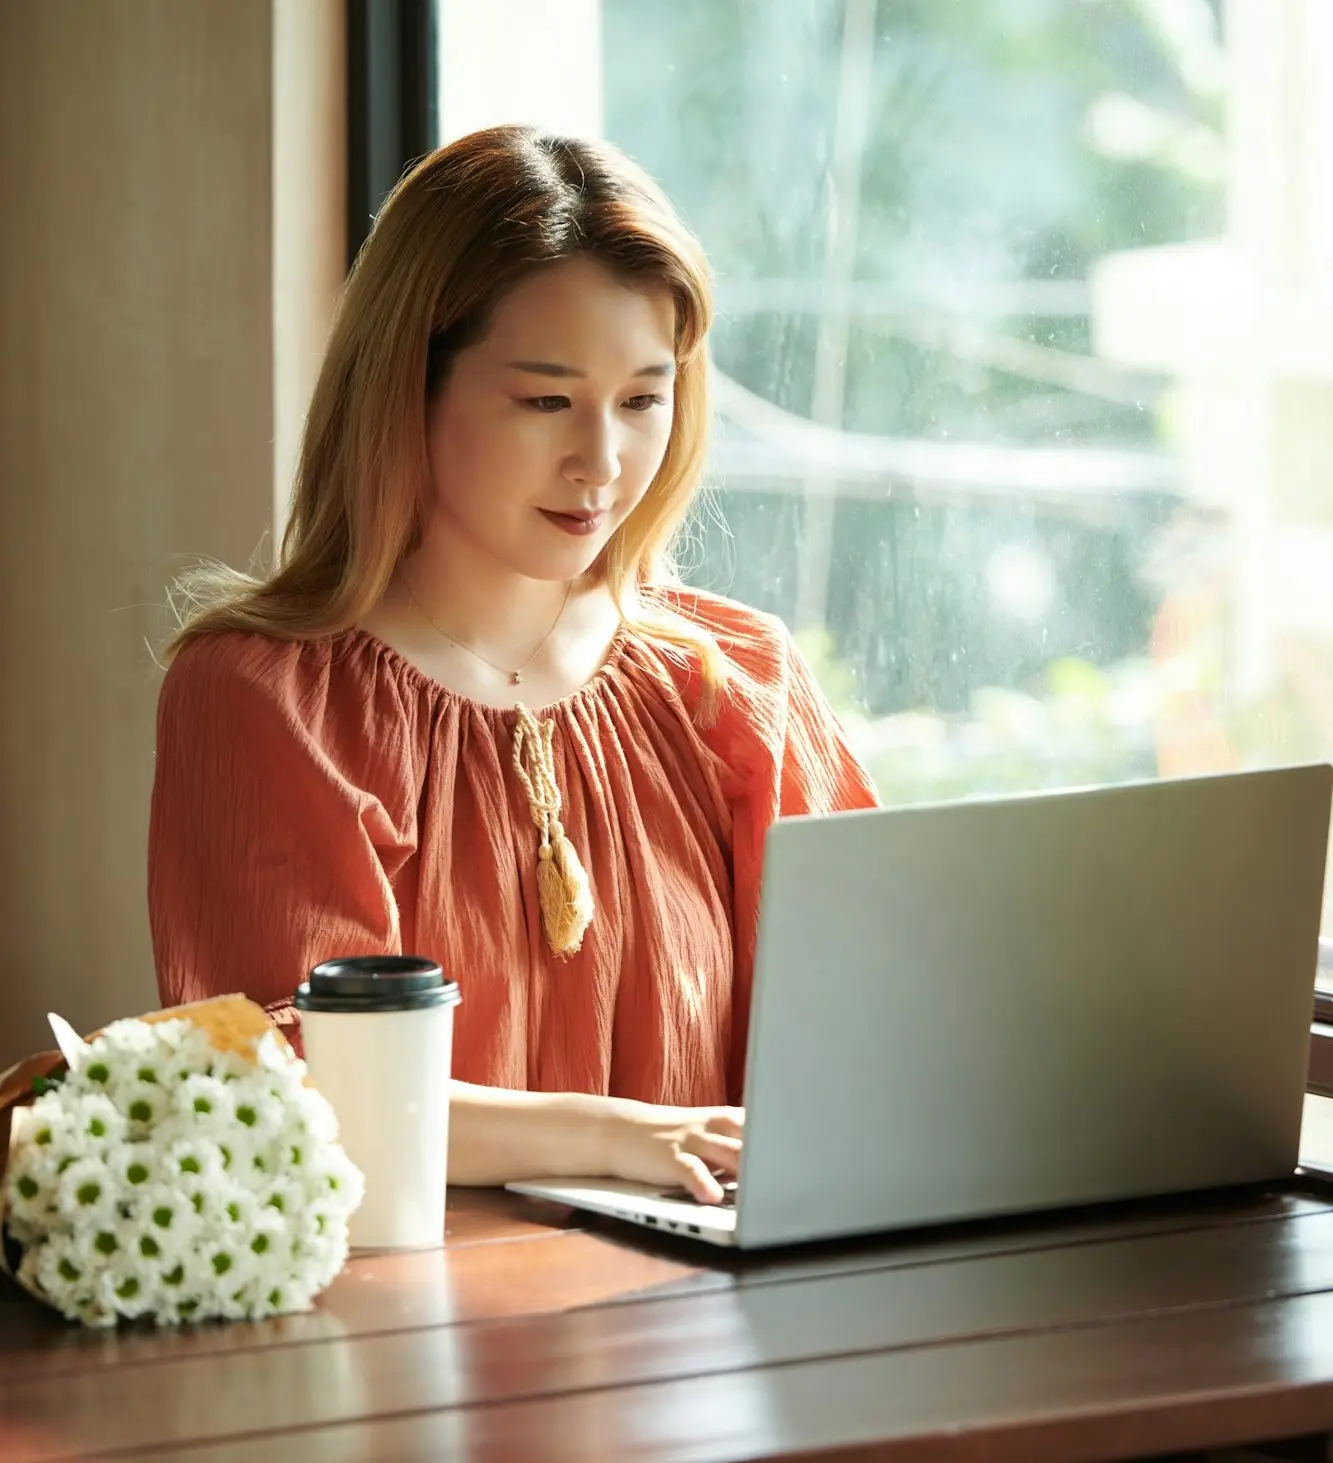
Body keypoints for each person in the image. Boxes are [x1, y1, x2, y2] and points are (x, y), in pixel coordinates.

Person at [148, 124, 878, 1204]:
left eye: (641, 398)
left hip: (713, 1327)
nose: (602, 461)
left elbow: (874, 1022)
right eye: (545, 401)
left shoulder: (740, 680)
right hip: (407, 1335)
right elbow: (283, 1079)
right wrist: (616, 1134)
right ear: (408, 385)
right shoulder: (269, 696)